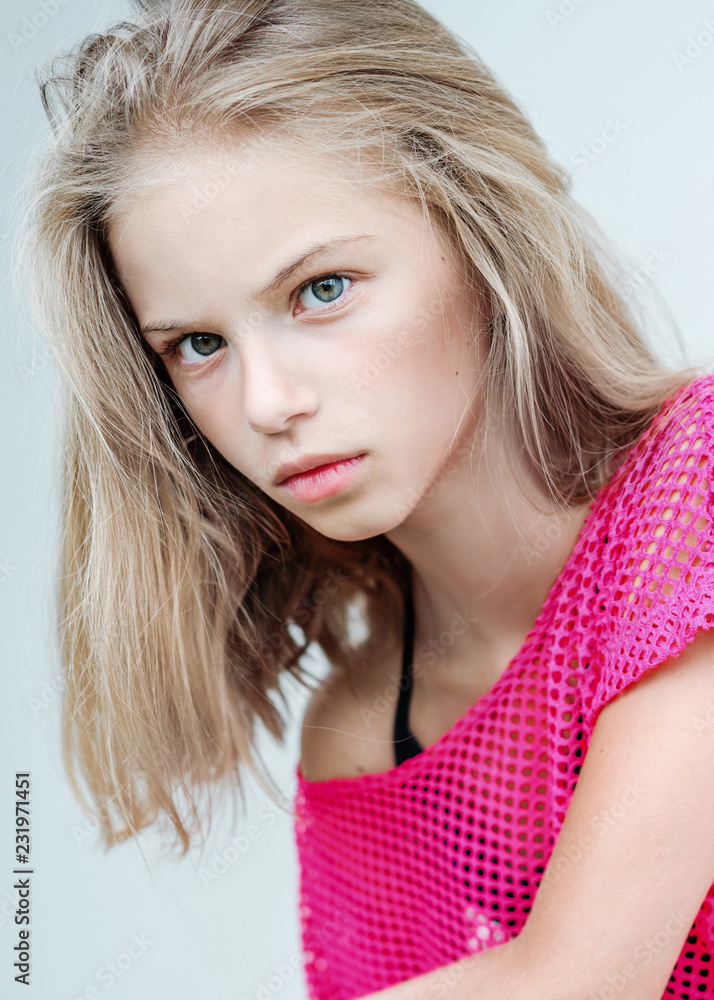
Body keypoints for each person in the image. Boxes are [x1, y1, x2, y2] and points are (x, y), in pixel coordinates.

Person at [17, 1, 714, 998]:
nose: (267, 404)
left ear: (480, 234)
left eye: (322, 289)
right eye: (197, 345)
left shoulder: (699, 487)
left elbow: (585, 979)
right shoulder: (357, 739)